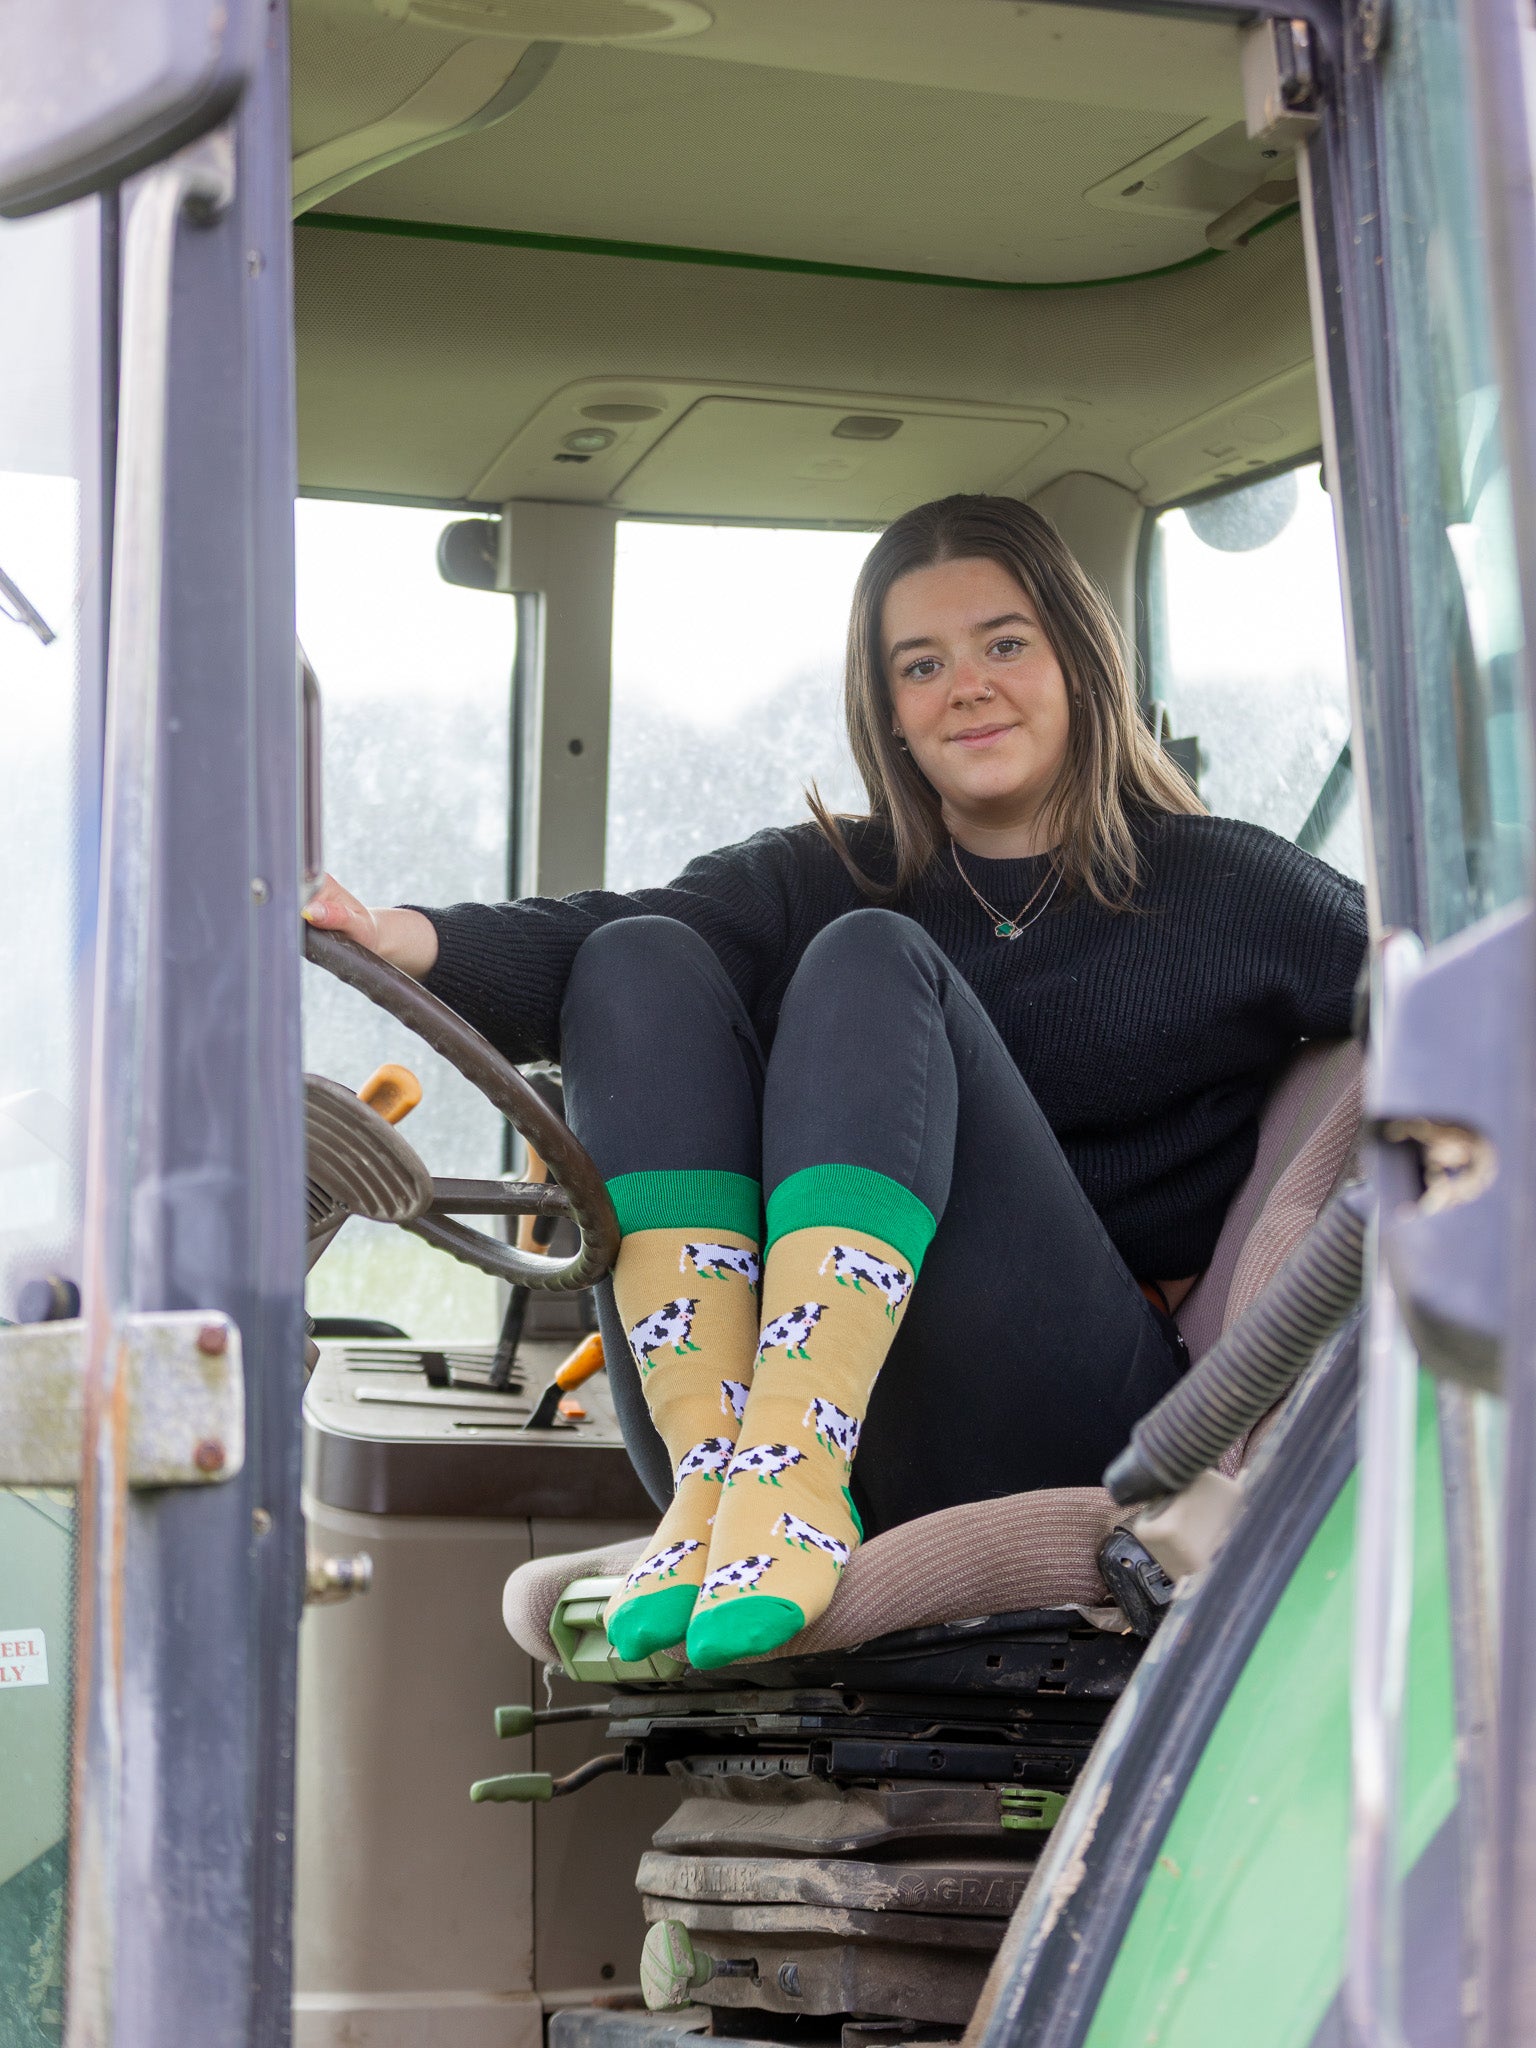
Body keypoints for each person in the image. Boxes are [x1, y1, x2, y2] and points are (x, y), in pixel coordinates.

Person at [304, 493, 1367, 1671]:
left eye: (1005, 643)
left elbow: (1451, 986)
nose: (967, 685)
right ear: (891, 712)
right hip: (772, 1423)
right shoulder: (832, 871)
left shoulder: (1230, 889)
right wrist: (393, 932)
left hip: (1076, 1417)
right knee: (637, 955)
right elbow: (590, 944)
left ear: (1079, 658)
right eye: (923, 663)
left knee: (871, 959)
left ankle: (794, 1464)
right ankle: (726, 1472)